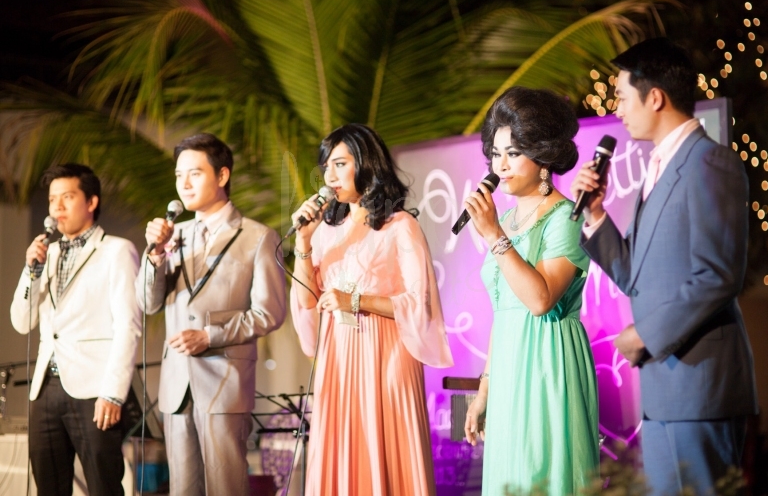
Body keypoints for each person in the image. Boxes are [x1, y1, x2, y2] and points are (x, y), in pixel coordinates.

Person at [570, 38, 758, 495]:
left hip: (700, 386)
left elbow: (719, 275)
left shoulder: (710, 161)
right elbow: (634, 274)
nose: (617, 110)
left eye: (621, 97)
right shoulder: (659, 166)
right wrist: (595, 214)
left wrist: (646, 335)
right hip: (665, 389)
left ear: (655, 97)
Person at [289, 123, 453, 495]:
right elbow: (306, 300)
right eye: (326, 167)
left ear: (366, 163)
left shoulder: (400, 226)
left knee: (384, 451)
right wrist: (303, 241)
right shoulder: (324, 231)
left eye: (340, 164)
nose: (330, 176)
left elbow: (419, 302)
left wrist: (356, 301)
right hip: (338, 359)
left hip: (386, 357)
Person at [462, 87, 599, 495]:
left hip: (547, 363)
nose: (500, 165)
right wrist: (485, 389)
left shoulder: (566, 217)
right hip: (508, 366)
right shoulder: (505, 220)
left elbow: (540, 300)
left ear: (543, 156)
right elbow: (503, 311)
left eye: (513, 153)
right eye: (495, 154)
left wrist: (493, 236)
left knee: (545, 471)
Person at [137, 133, 286, 496]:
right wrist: (154, 256)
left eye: (195, 173)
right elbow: (148, 303)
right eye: (179, 175)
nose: (184, 184)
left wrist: (210, 336)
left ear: (222, 175)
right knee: (182, 489)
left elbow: (270, 312)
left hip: (224, 379)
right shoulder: (173, 236)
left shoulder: (258, 237)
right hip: (177, 384)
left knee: (226, 487)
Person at [10, 163, 141, 496]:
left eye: (67, 197)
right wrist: (30, 271)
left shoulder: (116, 250)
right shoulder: (48, 253)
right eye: (52, 199)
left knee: (102, 485)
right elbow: (21, 321)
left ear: (91, 201)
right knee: (48, 487)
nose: (57, 207)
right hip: (46, 387)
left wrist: (113, 392)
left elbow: (128, 325)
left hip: (94, 388)